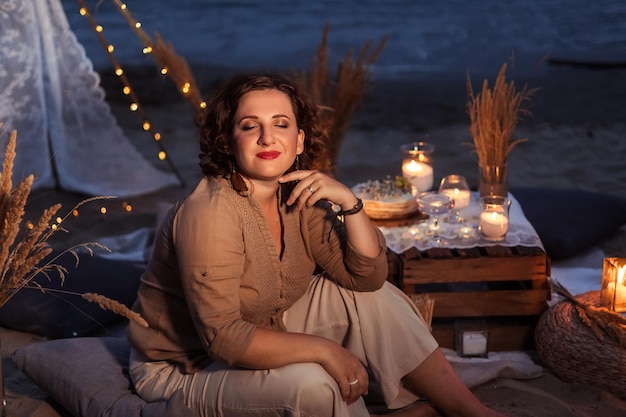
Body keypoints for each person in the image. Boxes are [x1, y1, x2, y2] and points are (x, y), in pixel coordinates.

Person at [127, 73, 507, 417]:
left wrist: (349, 203)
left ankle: (467, 410)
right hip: (185, 368)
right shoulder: (208, 213)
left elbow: (367, 278)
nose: (267, 137)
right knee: (315, 383)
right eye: (249, 126)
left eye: (281, 124)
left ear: (299, 140)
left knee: (377, 299)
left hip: (268, 321)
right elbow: (223, 339)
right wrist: (327, 351)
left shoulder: (298, 193)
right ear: (227, 141)